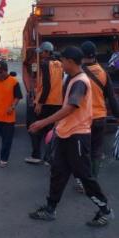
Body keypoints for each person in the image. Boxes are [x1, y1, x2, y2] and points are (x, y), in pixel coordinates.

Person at [28, 46, 113, 227]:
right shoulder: (73, 79)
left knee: (85, 177)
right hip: (67, 135)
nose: (61, 64)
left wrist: (43, 123)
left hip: (77, 137)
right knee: (58, 172)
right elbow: (68, 108)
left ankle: (105, 210)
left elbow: (71, 107)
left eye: (63, 61)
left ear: (70, 62)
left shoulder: (80, 81)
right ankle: (50, 209)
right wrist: (57, 127)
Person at [73, 41, 119, 192]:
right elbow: (111, 98)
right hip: (100, 118)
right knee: (96, 150)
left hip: (83, 119)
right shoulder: (103, 72)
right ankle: (92, 181)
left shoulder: (77, 73)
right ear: (95, 54)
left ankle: (82, 181)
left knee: (81, 151)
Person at [25, 42, 63, 165]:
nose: (40, 54)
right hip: (58, 103)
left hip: (46, 102)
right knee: (51, 130)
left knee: (33, 127)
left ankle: (36, 155)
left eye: (41, 52)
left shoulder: (45, 64)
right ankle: (49, 158)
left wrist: (40, 103)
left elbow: (47, 86)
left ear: (47, 52)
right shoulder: (60, 64)